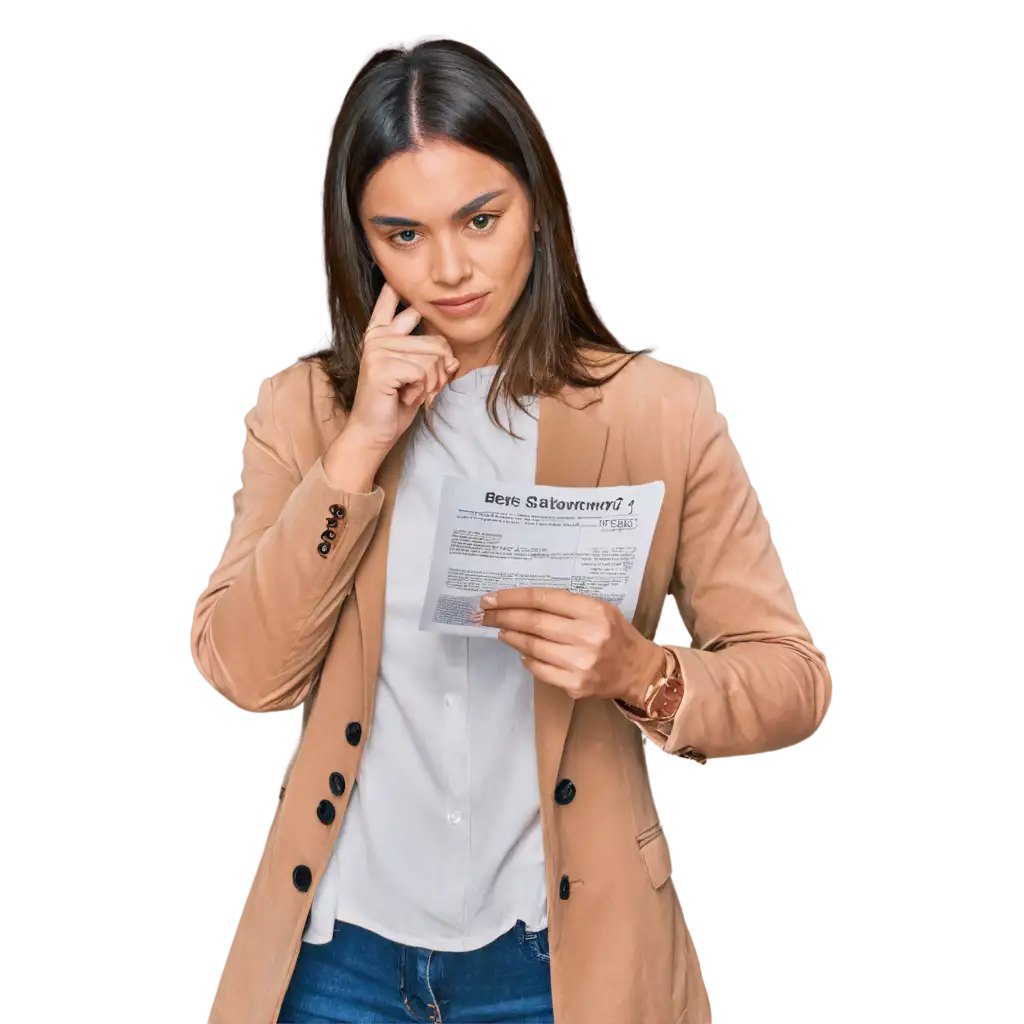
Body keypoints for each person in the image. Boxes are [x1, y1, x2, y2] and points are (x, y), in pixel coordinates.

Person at [187, 37, 830, 1024]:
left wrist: (642, 675)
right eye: (401, 234)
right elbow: (244, 672)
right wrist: (358, 447)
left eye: (480, 220)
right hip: (339, 957)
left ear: (537, 205)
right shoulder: (304, 412)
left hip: (556, 958)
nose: (448, 268)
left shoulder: (653, 414)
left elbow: (789, 680)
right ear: (363, 243)